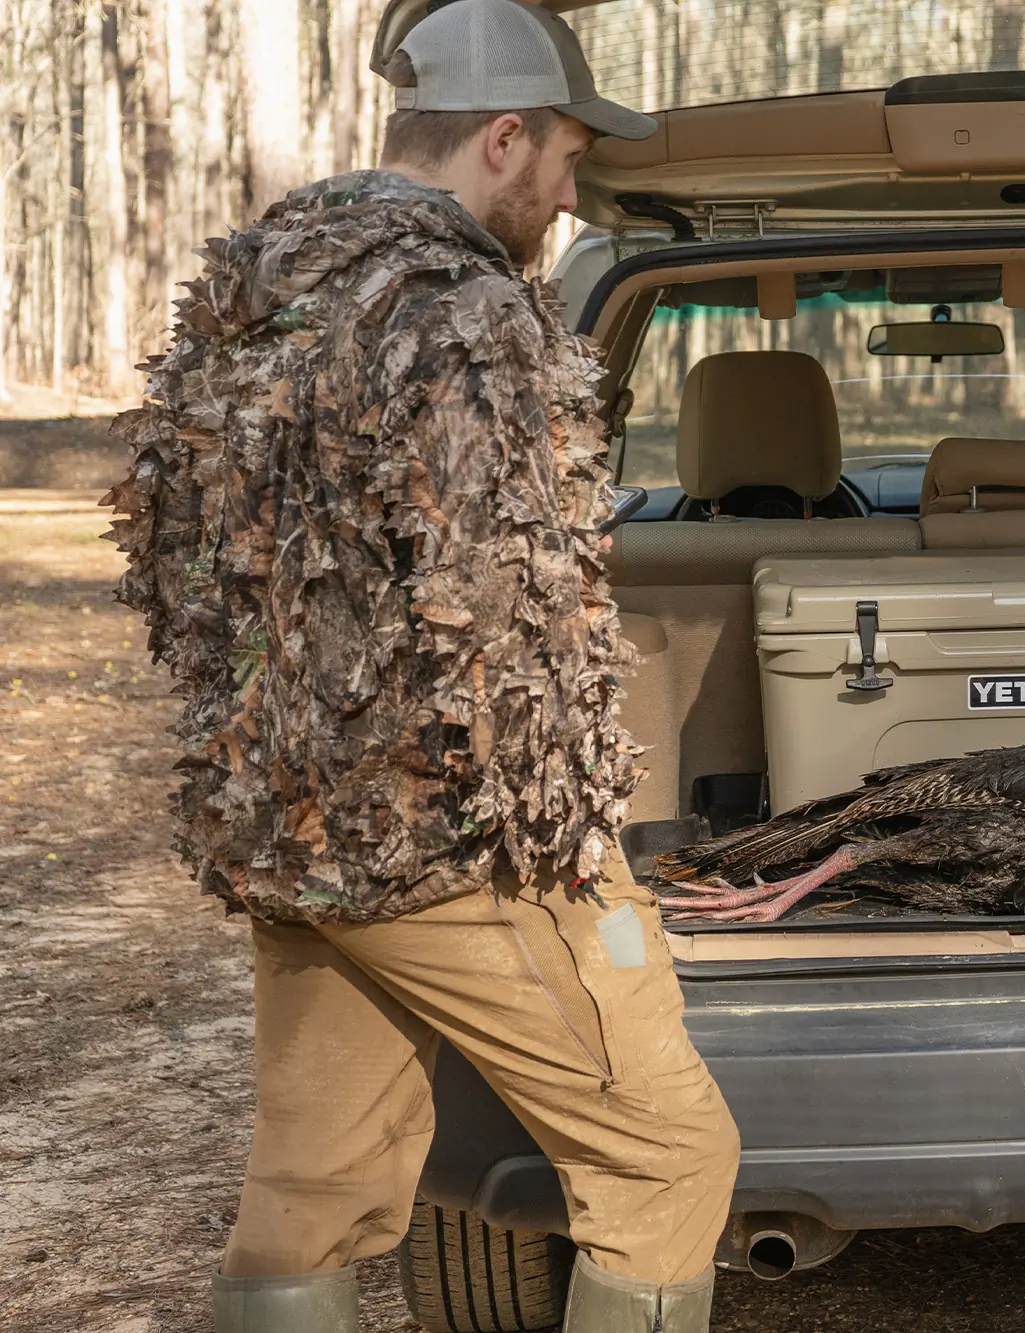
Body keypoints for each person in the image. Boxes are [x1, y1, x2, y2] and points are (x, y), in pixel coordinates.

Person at [104, 2, 739, 1330]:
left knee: (311, 1191)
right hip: (442, 841)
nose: (570, 197)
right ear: (503, 140)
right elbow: (500, 607)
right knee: (668, 1162)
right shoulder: (466, 310)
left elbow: (171, 549)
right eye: (564, 160)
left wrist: (259, 748)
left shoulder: (249, 286)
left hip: (282, 819)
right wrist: (571, 850)